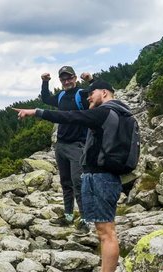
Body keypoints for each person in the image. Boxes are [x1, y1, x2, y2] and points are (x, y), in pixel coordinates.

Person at [14, 80, 130, 272]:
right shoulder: (120, 112)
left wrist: (36, 112)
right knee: (105, 230)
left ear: (104, 93)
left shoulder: (103, 113)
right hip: (107, 176)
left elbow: (68, 116)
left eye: (91, 94)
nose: (88, 98)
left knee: (106, 232)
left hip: (102, 177)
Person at [41, 66, 93, 232]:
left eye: (69, 78)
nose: (66, 81)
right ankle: (69, 215)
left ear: (75, 78)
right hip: (61, 145)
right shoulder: (62, 95)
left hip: (78, 145)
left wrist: (91, 80)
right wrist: (45, 82)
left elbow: (101, 93)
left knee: (79, 182)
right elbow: (46, 99)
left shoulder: (82, 94)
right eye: (63, 79)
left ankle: (85, 220)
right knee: (65, 182)